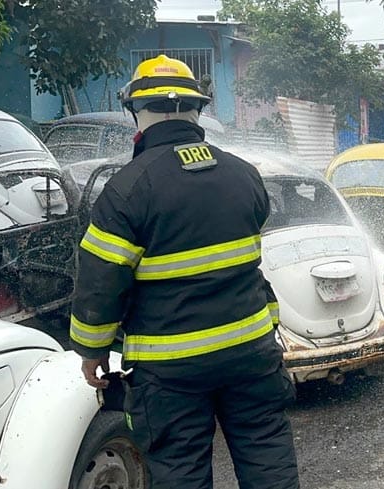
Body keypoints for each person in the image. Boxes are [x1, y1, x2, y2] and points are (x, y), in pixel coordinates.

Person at [69, 55, 299, 489]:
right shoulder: (244, 175)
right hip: (251, 352)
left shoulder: (127, 189)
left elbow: (100, 285)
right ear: (199, 109)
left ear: (136, 110)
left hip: (171, 368)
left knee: (180, 470)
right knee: (268, 454)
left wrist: (91, 350)